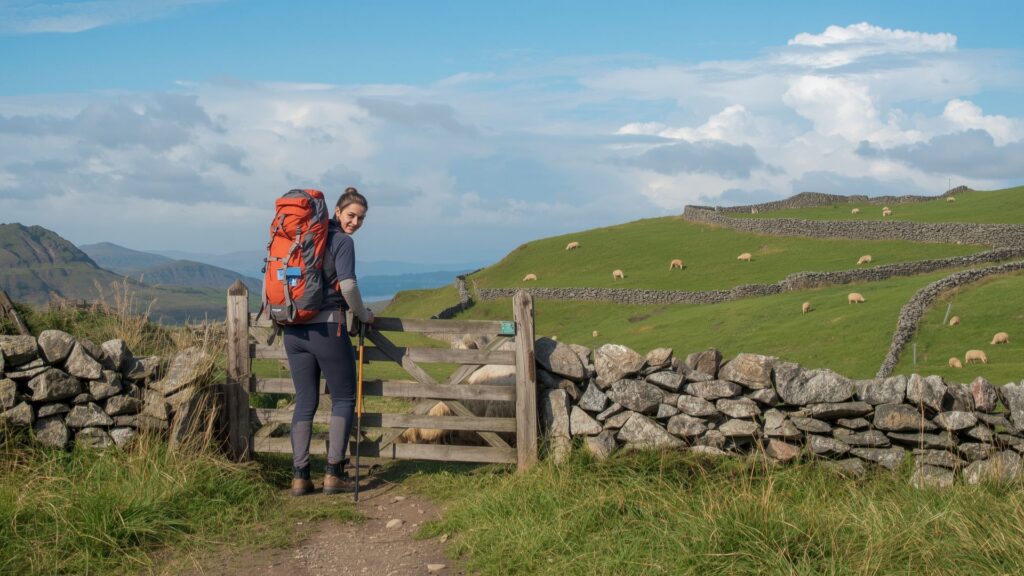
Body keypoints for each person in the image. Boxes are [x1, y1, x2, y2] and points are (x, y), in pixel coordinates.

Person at [284, 187, 374, 496]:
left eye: (361, 218)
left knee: (305, 400)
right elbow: (347, 286)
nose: (355, 223)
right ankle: (334, 473)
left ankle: (299, 476)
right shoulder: (342, 242)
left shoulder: (302, 236)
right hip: (327, 328)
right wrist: (364, 314)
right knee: (344, 398)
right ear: (336, 211)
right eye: (351, 215)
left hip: (293, 330)